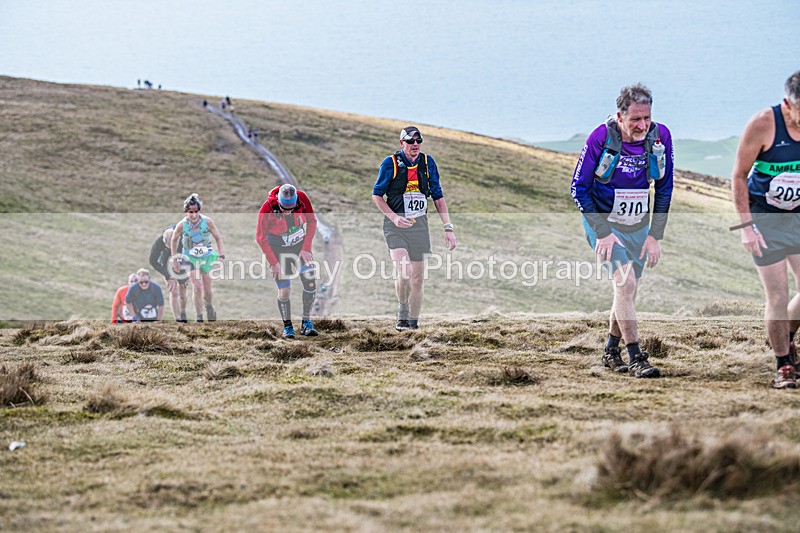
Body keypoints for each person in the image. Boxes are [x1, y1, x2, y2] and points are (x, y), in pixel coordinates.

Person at [570, 83, 674, 378]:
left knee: (627, 290)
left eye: (647, 119)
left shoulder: (661, 136)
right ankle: (636, 357)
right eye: (635, 120)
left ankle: (610, 350)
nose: (642, 126)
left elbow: (665, 188)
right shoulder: (600, 138)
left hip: (639, 225)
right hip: (603, 223)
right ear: (620, 116)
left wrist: (655, 234)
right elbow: (578, 188)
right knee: (625, 284)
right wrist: (602, 232)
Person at [731, 70, 800, 389]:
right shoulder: (763, 124)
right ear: (788, 104)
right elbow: (739, 176)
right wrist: (746, 227)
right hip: (765, 218)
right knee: (778, 292)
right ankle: (783, 364)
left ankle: (784, 336)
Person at [372, 126, 457, 331]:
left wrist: (448, 227)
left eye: (418, 141)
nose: (415, 145)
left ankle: (413, 323)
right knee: (405, 271)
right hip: (396, 226)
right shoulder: (390, 163)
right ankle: (402, 311)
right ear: (402, 143)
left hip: (419, 227)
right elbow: (377, 196)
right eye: (410, 141)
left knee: (418, 279)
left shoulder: (428, 163)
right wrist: (393, 217)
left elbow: (438, 197)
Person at [256, 184, 319, 338]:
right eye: (284, 209)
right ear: (278, 202)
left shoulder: (302, 198)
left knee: (310, 280)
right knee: (285, 289)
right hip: (278, 249)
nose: (288, 212)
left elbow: (312, 221)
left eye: (291, 209)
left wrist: (306, 248)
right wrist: (274, 263)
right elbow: (261, 238)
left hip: (299, 247)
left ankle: (306, 323)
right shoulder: (267, 209)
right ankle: (288, 327)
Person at [171, 193, 226, 322]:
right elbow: (174, 240)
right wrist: (175, 259)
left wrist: (222, 256)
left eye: (196, 211)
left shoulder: (207, 222)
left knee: (207, 290)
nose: (194, 215)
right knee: (197, 286)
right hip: (190, 258)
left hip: (206, 256)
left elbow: (218, 238)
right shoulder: (182, 225)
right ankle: (199, 317)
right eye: (191, 212)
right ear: (186, 212)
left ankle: (209, 306)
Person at [150, 225, 190, 322]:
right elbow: (152, 261)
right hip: (166, 262)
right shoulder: (159, 242)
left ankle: (183, 311)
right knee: (173, 290)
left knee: (182, 292)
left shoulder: (185, 238)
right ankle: (178, 319)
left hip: (182, 260)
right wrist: (168, 276)